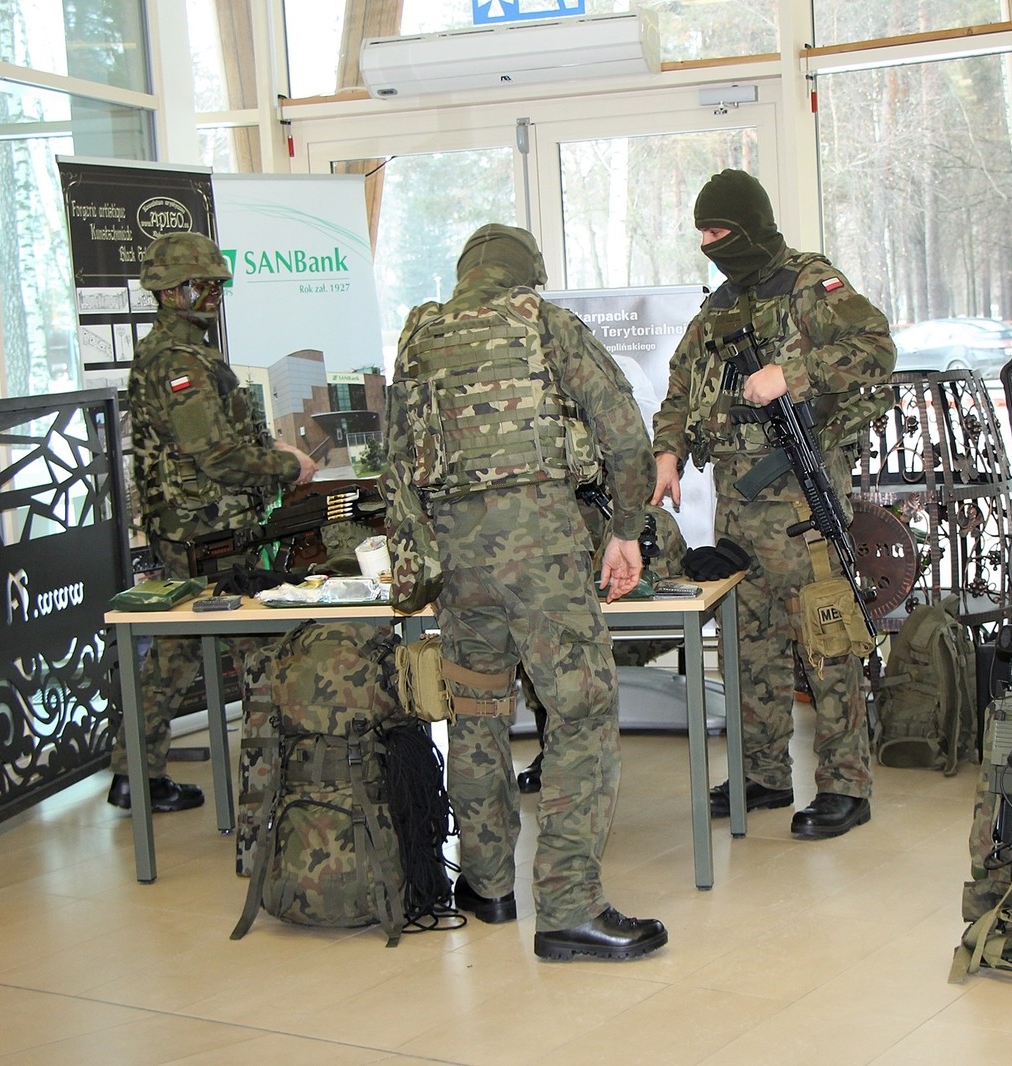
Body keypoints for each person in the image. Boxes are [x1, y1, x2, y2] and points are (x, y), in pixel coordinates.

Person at [382, 224, 667, 962]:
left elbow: (396, 459)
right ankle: (569, 908)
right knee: (582, 709)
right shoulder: (544, 323)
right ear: (525, 277)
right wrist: (626, 531)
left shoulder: (419, 336)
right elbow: (625, 438)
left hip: (457, 560)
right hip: (541, 555)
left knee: (476, 710)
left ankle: (487, 887)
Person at [651, 169, 895, 840]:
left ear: (749, 226)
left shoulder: (809, 283)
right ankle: (763, 776)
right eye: (701, 233)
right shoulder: (719, 307)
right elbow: (680, 390)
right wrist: (668, 453)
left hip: (801, 505)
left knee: (827, 641)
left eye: (718, 231)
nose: (708, 243)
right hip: (736, 508)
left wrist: (793, 374)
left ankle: (846, 784)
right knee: (749, 647)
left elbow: (876, 349)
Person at [112, 231, 316, 813]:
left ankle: (134, 773)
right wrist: (289, 465)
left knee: (176, 650)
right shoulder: (179, 361)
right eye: (199, 286)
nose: (212, 296)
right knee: (267, 652)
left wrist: (268, 449)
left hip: (196, 528)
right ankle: (281, 782)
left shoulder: (185, 353)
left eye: (216, 286)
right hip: (207, 532)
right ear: (168, 292)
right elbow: (217, 458)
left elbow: (218, 438)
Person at [517, 500, 688, 793]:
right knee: (535, 621)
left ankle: (581, 748)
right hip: (551, 518)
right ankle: (552, 750)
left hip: (610, 517)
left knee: (649, 524)